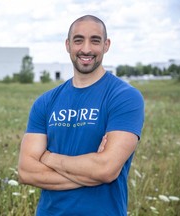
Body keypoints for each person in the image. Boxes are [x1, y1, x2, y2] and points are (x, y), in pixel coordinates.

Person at [18, 14, 144, 216]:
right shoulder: (45, 102)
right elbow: (26, 171)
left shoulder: (125, 97)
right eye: (78, 40)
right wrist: (91, 173)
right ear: (68, 45)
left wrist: (48, 158)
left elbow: (106, 169)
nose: (86, 49)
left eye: (95, 40)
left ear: (106, 45)